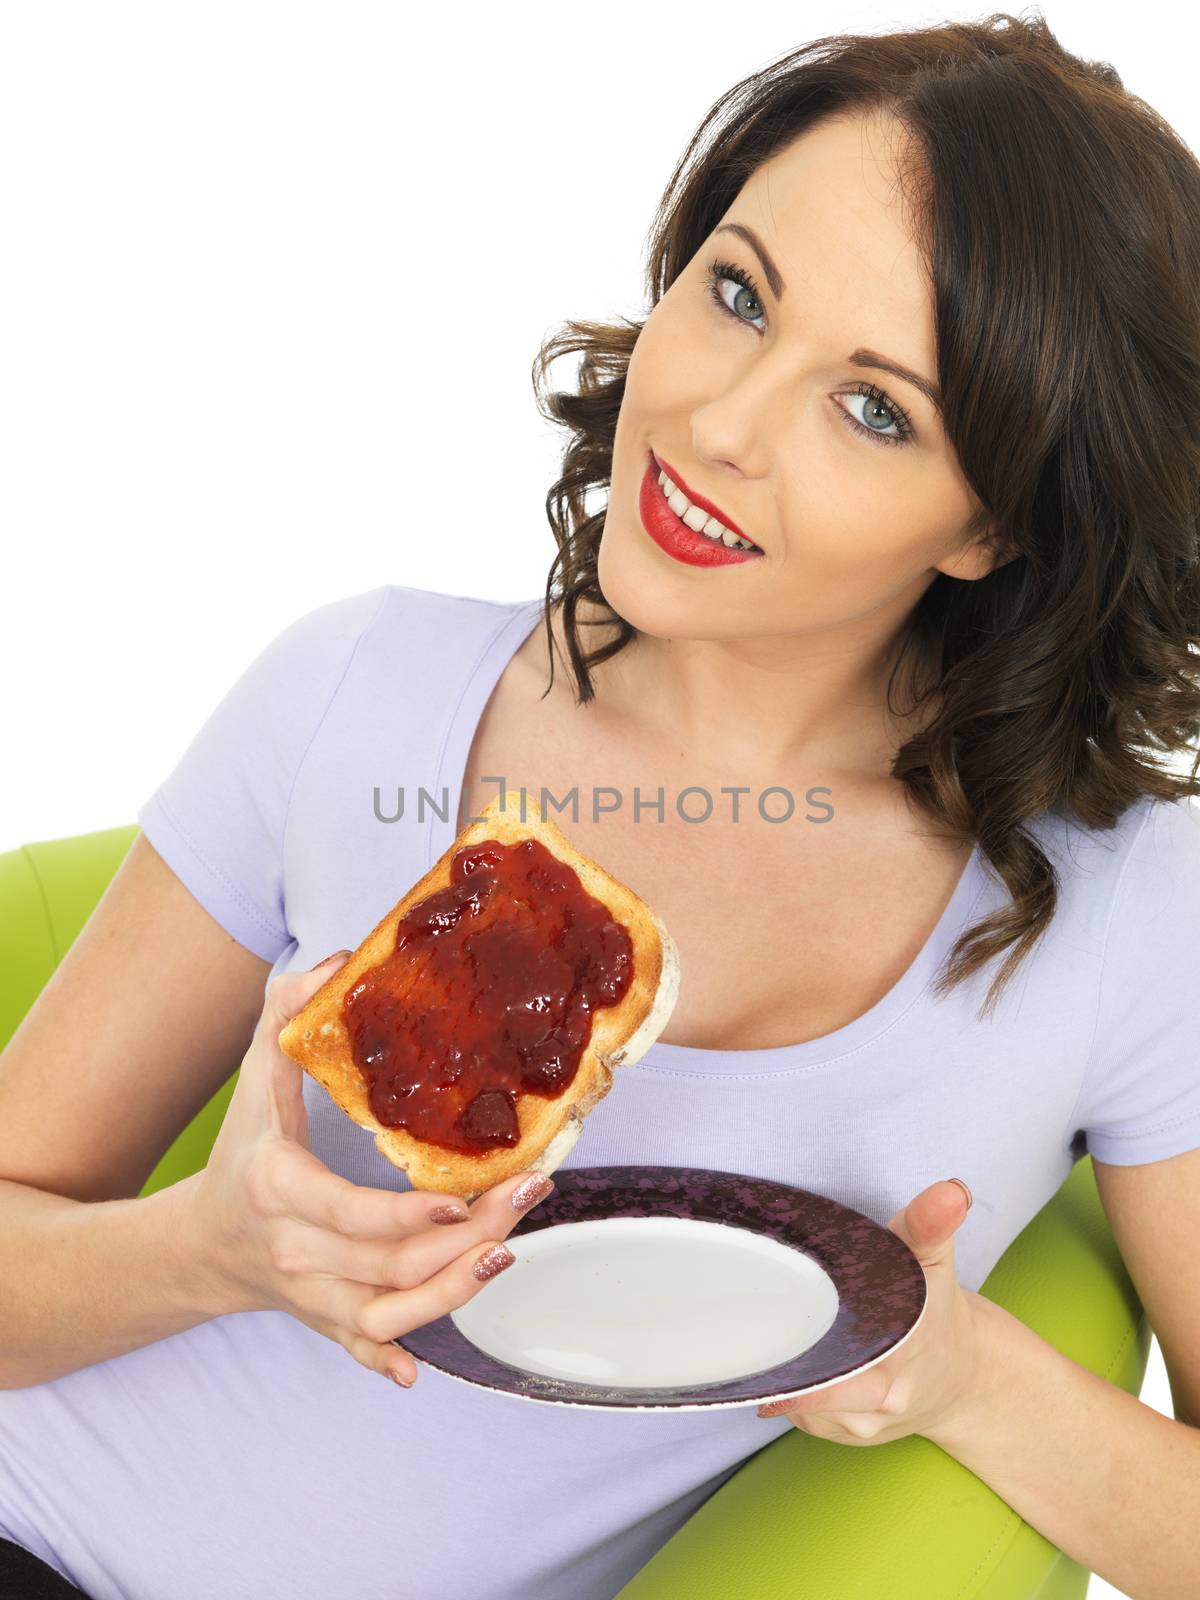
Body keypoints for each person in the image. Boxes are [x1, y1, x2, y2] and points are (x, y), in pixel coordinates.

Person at [2, 13, 1200, 1599]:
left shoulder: (1125, 912)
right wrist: (214, 1250)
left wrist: (963, 1375)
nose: (717, 423)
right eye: (737, 293)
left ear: (996, 520)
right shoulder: (358, 685)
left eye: (873, 408)